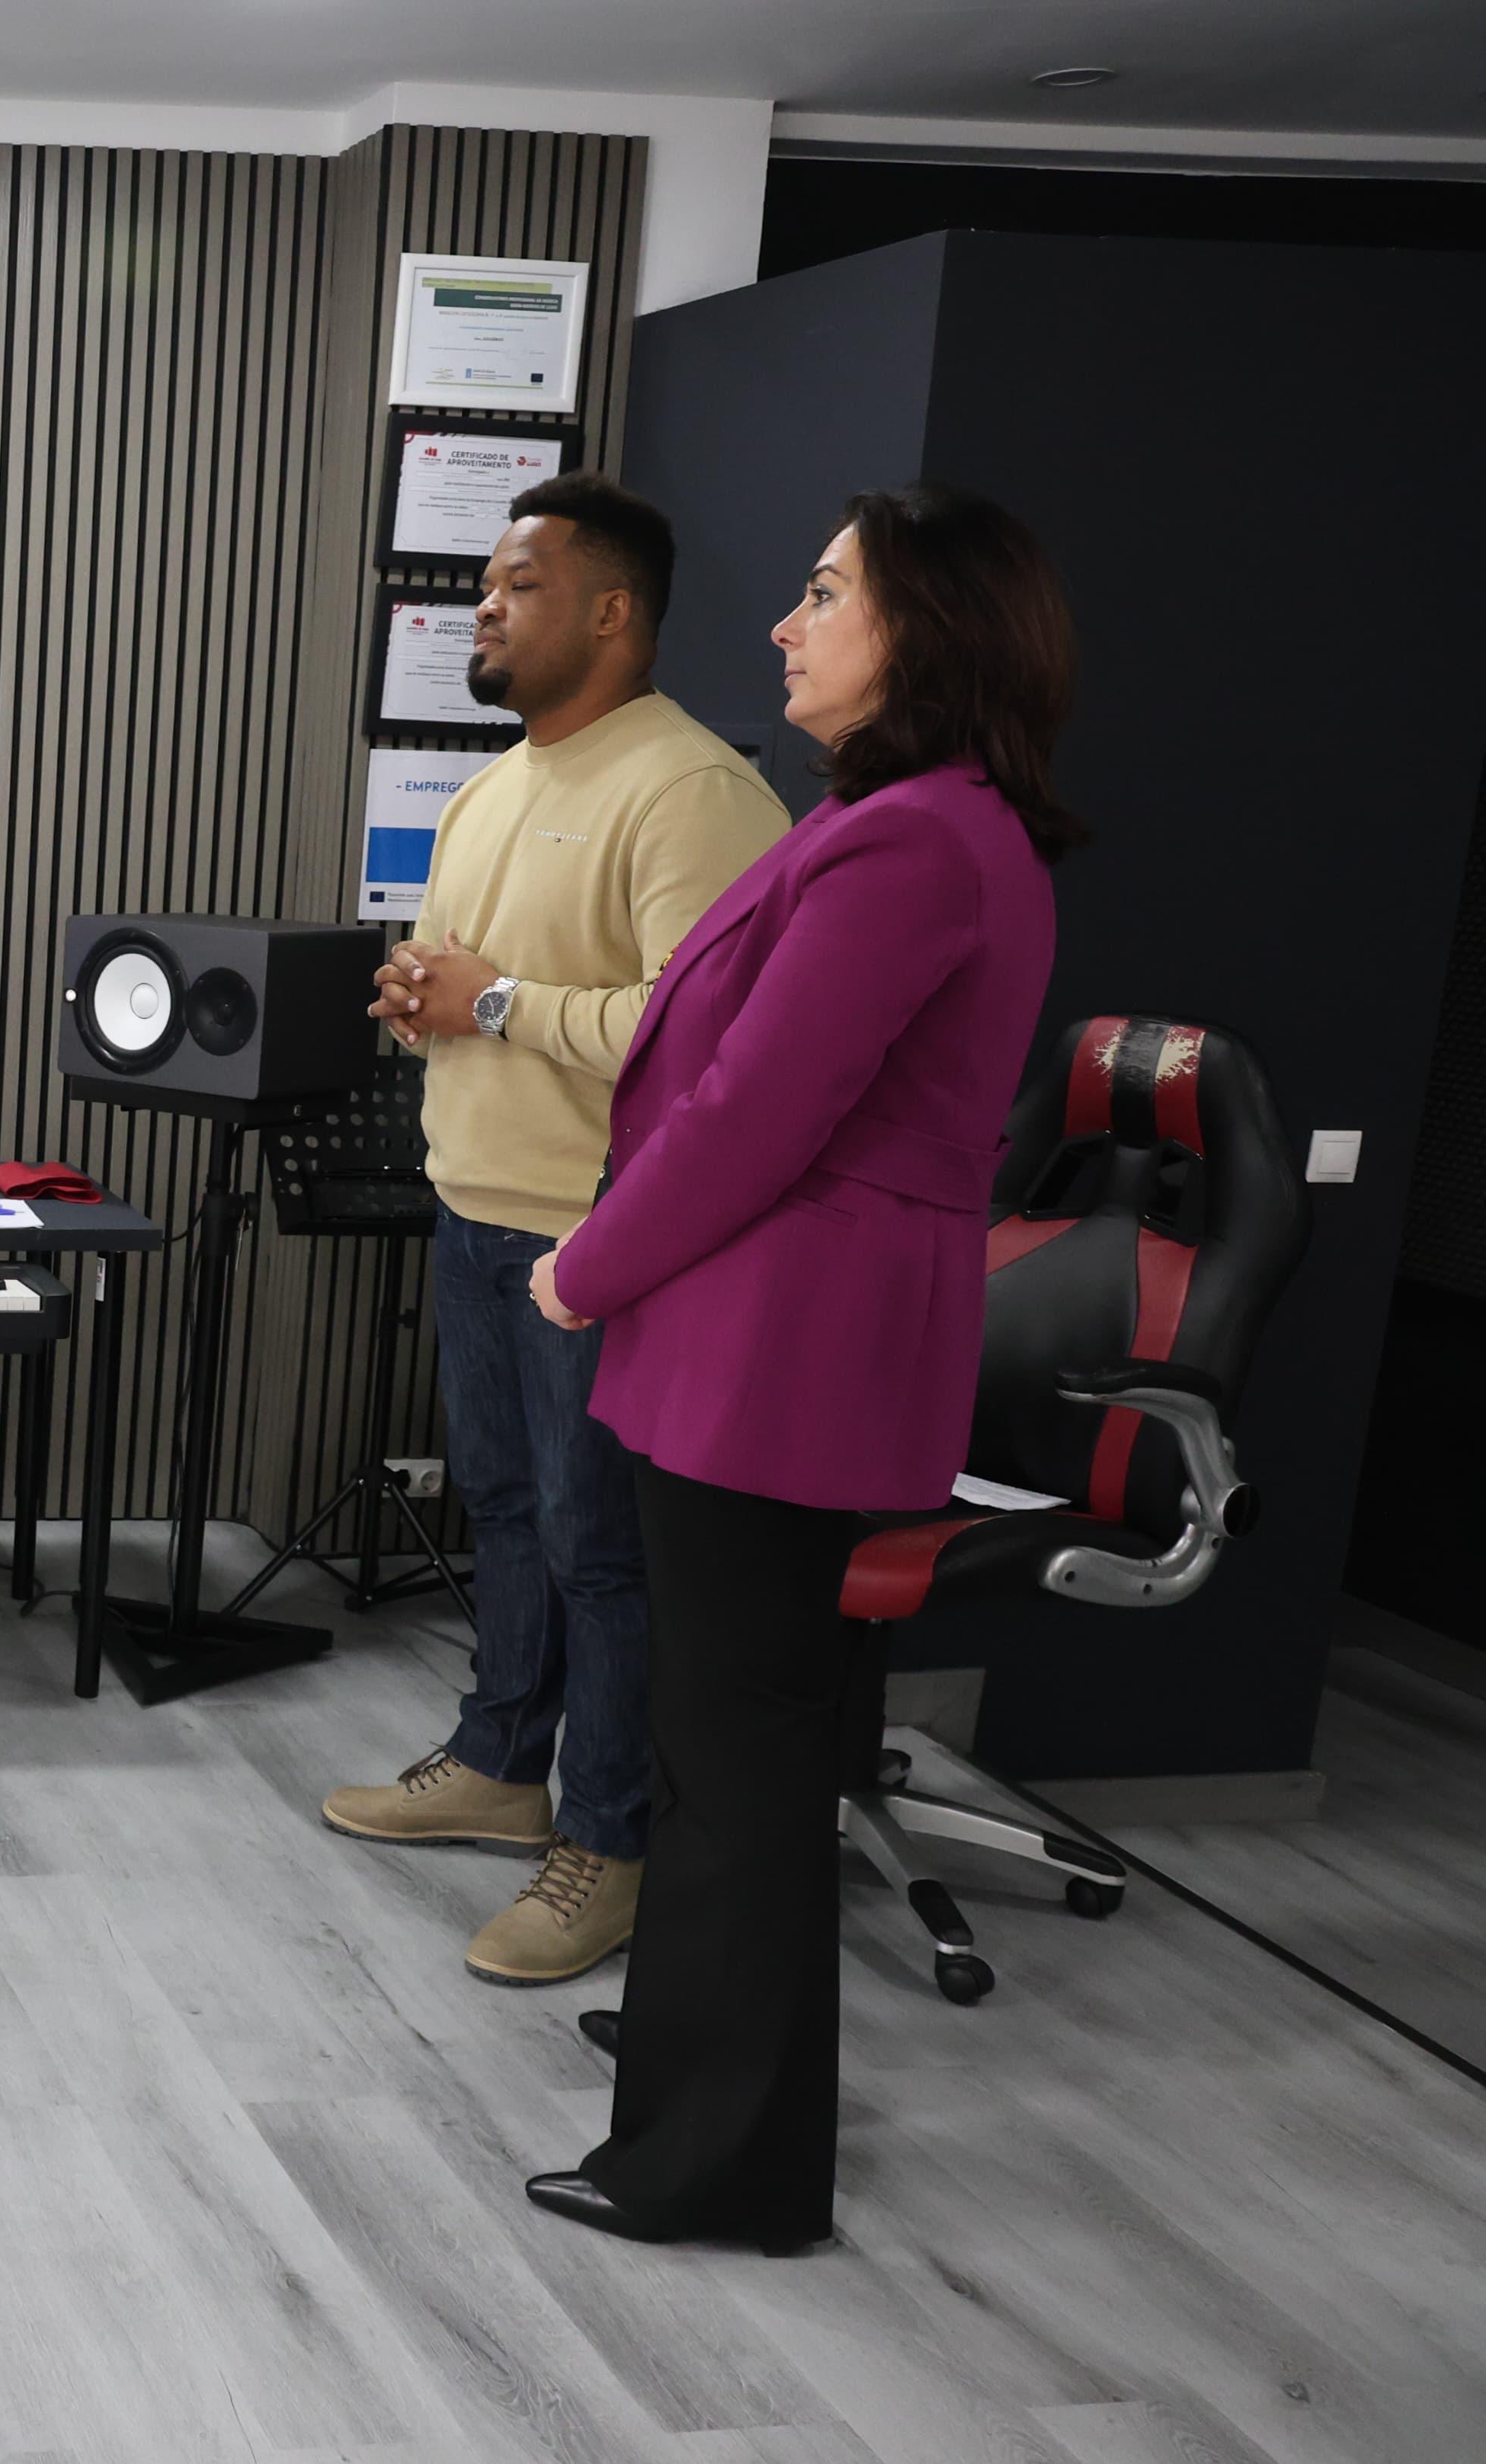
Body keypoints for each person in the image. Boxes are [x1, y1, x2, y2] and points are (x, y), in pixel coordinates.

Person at [520, 485, 1074, 2248]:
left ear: (928, 629)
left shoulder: (914, 844)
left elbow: (755, 1109)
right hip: (763, 1341)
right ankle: (705, 2038)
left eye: (826, 593)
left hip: (784, 1353)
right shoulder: (901, 820)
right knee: (728, 1741)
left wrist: (583, 1270)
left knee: (738, 1757)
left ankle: (724, 2161)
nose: (785, 621)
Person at [328, 475, 789, 1986]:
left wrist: (497, 1003)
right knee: (507, 1511)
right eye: (485, 583)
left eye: (517, 584)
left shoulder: (692, 790)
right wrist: (423, 1000)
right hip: (473, 1208)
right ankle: (497, 1763)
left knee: (603, 1550)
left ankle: (610, 1841)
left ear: (611, 611)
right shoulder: (491, 788)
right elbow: (476, 990)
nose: (483, 605)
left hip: (602, 1245)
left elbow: (702, 1041)